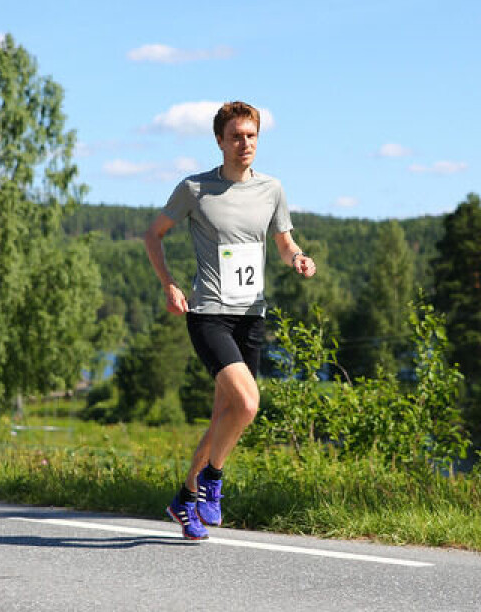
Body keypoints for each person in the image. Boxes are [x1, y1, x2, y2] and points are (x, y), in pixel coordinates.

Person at [144, 101, 316, 540]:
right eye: (236, 136)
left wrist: (297, 258)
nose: (245, 144)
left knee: (227, 414)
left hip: (250, 317)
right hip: (208, 314)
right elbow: (153, 234)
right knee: (248, 404)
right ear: (220, 141)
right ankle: (213, 480)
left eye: (252, 136)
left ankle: (185, 498)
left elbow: (282, 243)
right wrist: (169, 284)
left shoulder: (272, 189)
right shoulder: (195, 189)